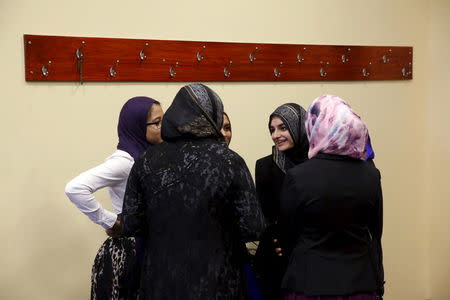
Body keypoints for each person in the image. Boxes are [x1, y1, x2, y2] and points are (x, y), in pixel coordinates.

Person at [114, 83, 265, 300]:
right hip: (217, 280)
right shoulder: (230, 161)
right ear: (212, 116)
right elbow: (254, 227)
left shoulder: (146, 161)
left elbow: (131, 224)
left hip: (160, 280)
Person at [279, 94, 384, 300]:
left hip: (309, 284)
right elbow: (375, 232)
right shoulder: (371, 175)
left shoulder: (298, 176)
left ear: (315, 128)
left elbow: (287, 235)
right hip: (360, 284)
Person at [65, 96, 163, 300]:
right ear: (137, 126)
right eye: (156, 123)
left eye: (164, 121)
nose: (163, 128)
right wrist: (111, 220)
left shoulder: (151, 156)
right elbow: (75, 188)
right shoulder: (125, 161)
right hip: (129, 254)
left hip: (150, 249)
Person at [254, 103, 309, 300]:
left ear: (300, 127)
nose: (275, 135)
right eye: (272, 129)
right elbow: (265, 217)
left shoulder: (316, 164)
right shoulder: (265, 166)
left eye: (282, 128)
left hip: (310, 257)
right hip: (276, 259)